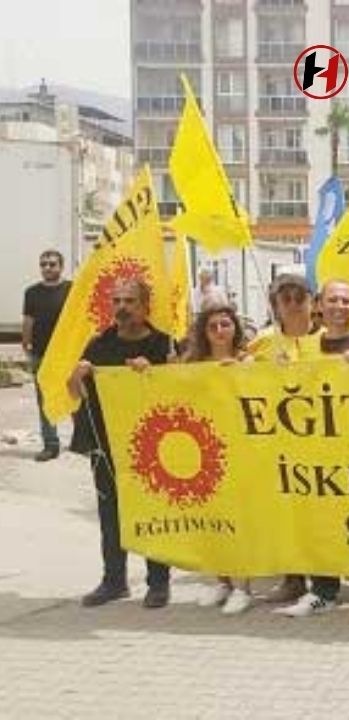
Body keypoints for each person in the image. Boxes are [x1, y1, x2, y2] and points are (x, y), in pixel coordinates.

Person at [280, 280, 349, 624]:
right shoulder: (301, 346)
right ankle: (323, 591)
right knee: (321, 521)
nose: (340, 306)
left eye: (346, 300)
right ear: (319, 305)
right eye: (333, 300)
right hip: (319, 452)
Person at [68, 279, 175, 609]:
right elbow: (74, 392)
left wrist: (155, 372)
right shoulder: (99, 343)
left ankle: (158, 583)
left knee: (152, 511)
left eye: (130, 301)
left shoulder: (163, 344)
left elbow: (179, 391)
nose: (122, 307)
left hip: (151, 446)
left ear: (145, 307)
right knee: (110, 512)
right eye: (116, 301)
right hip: (106, 443)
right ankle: (114, 581)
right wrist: (77, 373)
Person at [246, 273, 315, 605]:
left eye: (298, 297)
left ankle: (326, 576)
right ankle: (293, 577)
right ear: (275, 305)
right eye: (284, 298)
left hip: (323, 443)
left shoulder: (328, 339)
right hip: (281, 444)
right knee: (289, 514)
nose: (292, 304)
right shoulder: (261, 343)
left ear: (310, 301)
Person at [185, 304, 255, 615]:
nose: (219, 331)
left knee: (237, 519)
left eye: (225, 324)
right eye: (212, 326)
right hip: (204, 450)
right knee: (212, 518)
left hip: (239, 448)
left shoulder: (247, 360)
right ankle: (221, 581)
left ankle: (242, 586)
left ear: (234, 328)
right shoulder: (192, 364)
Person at [23, 249, 71, 461]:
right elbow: (28, 320)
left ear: (61, 266)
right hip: (41, 353)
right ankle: (51, 445)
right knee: (45, 401)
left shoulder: (71, 289)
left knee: (77, 398)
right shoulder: (31, 292)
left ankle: (83, 441)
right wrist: (26, 343)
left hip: (67, 354)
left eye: (52, 264)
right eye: (44, 264)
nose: (47, 268)